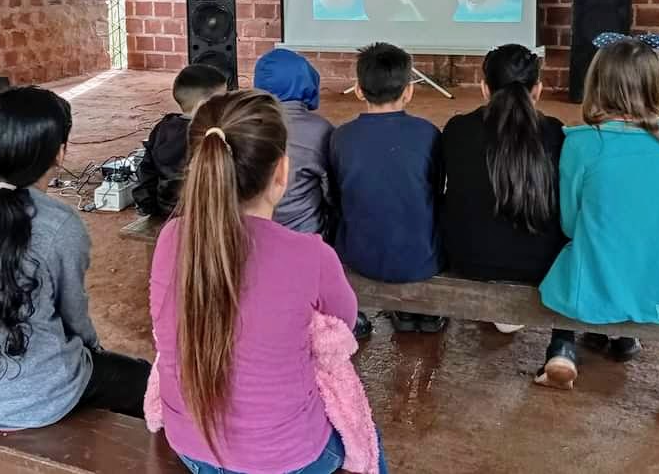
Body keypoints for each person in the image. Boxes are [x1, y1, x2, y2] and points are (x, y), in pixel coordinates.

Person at [150, 89, 388, 474]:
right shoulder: (311, 255)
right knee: (369, 439)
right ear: (281, 172)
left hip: (190, 445)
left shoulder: (170, 238)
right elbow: (342, 326)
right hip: (290, 457)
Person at [0, 86, 149, 431]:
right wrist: (93, 352)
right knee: (146, 381)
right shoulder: (60, 225)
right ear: (60, 153)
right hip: (42, 398)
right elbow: (74, 318)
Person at [539, 35, 659, 368]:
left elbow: (569, 222)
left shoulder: (583, 142)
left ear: (596, 84)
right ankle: (625, 336)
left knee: (571, 244)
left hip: (600, 287)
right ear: (654, 84)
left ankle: (563, 347)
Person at [441, 44, 575, 387]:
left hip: (468, 260)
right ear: (538, 90)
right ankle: (563, 345)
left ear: (484, 88)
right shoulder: (556, 133)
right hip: (541, 266)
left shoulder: (457, 129)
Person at [332, 42, 444, 334]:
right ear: (409, 91)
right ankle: (424, 313)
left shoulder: (341, 137)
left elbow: (337, 194)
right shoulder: (428, 133)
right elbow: (436, 190)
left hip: (360, 256)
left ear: (358, 90)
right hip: (423, 258)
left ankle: (407, 312)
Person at [253, 48, 336, 236]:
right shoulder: (321, 130)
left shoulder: (241, 125)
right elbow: (331, 195)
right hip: (306, 235)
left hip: (252, 234)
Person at [133, 64, 228, 218]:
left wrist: (150, 207)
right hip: (205, 215)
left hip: (165, 210)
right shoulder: (209, 133)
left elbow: (146, 172)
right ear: (204, 105)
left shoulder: (162, 128)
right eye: (223, 99)